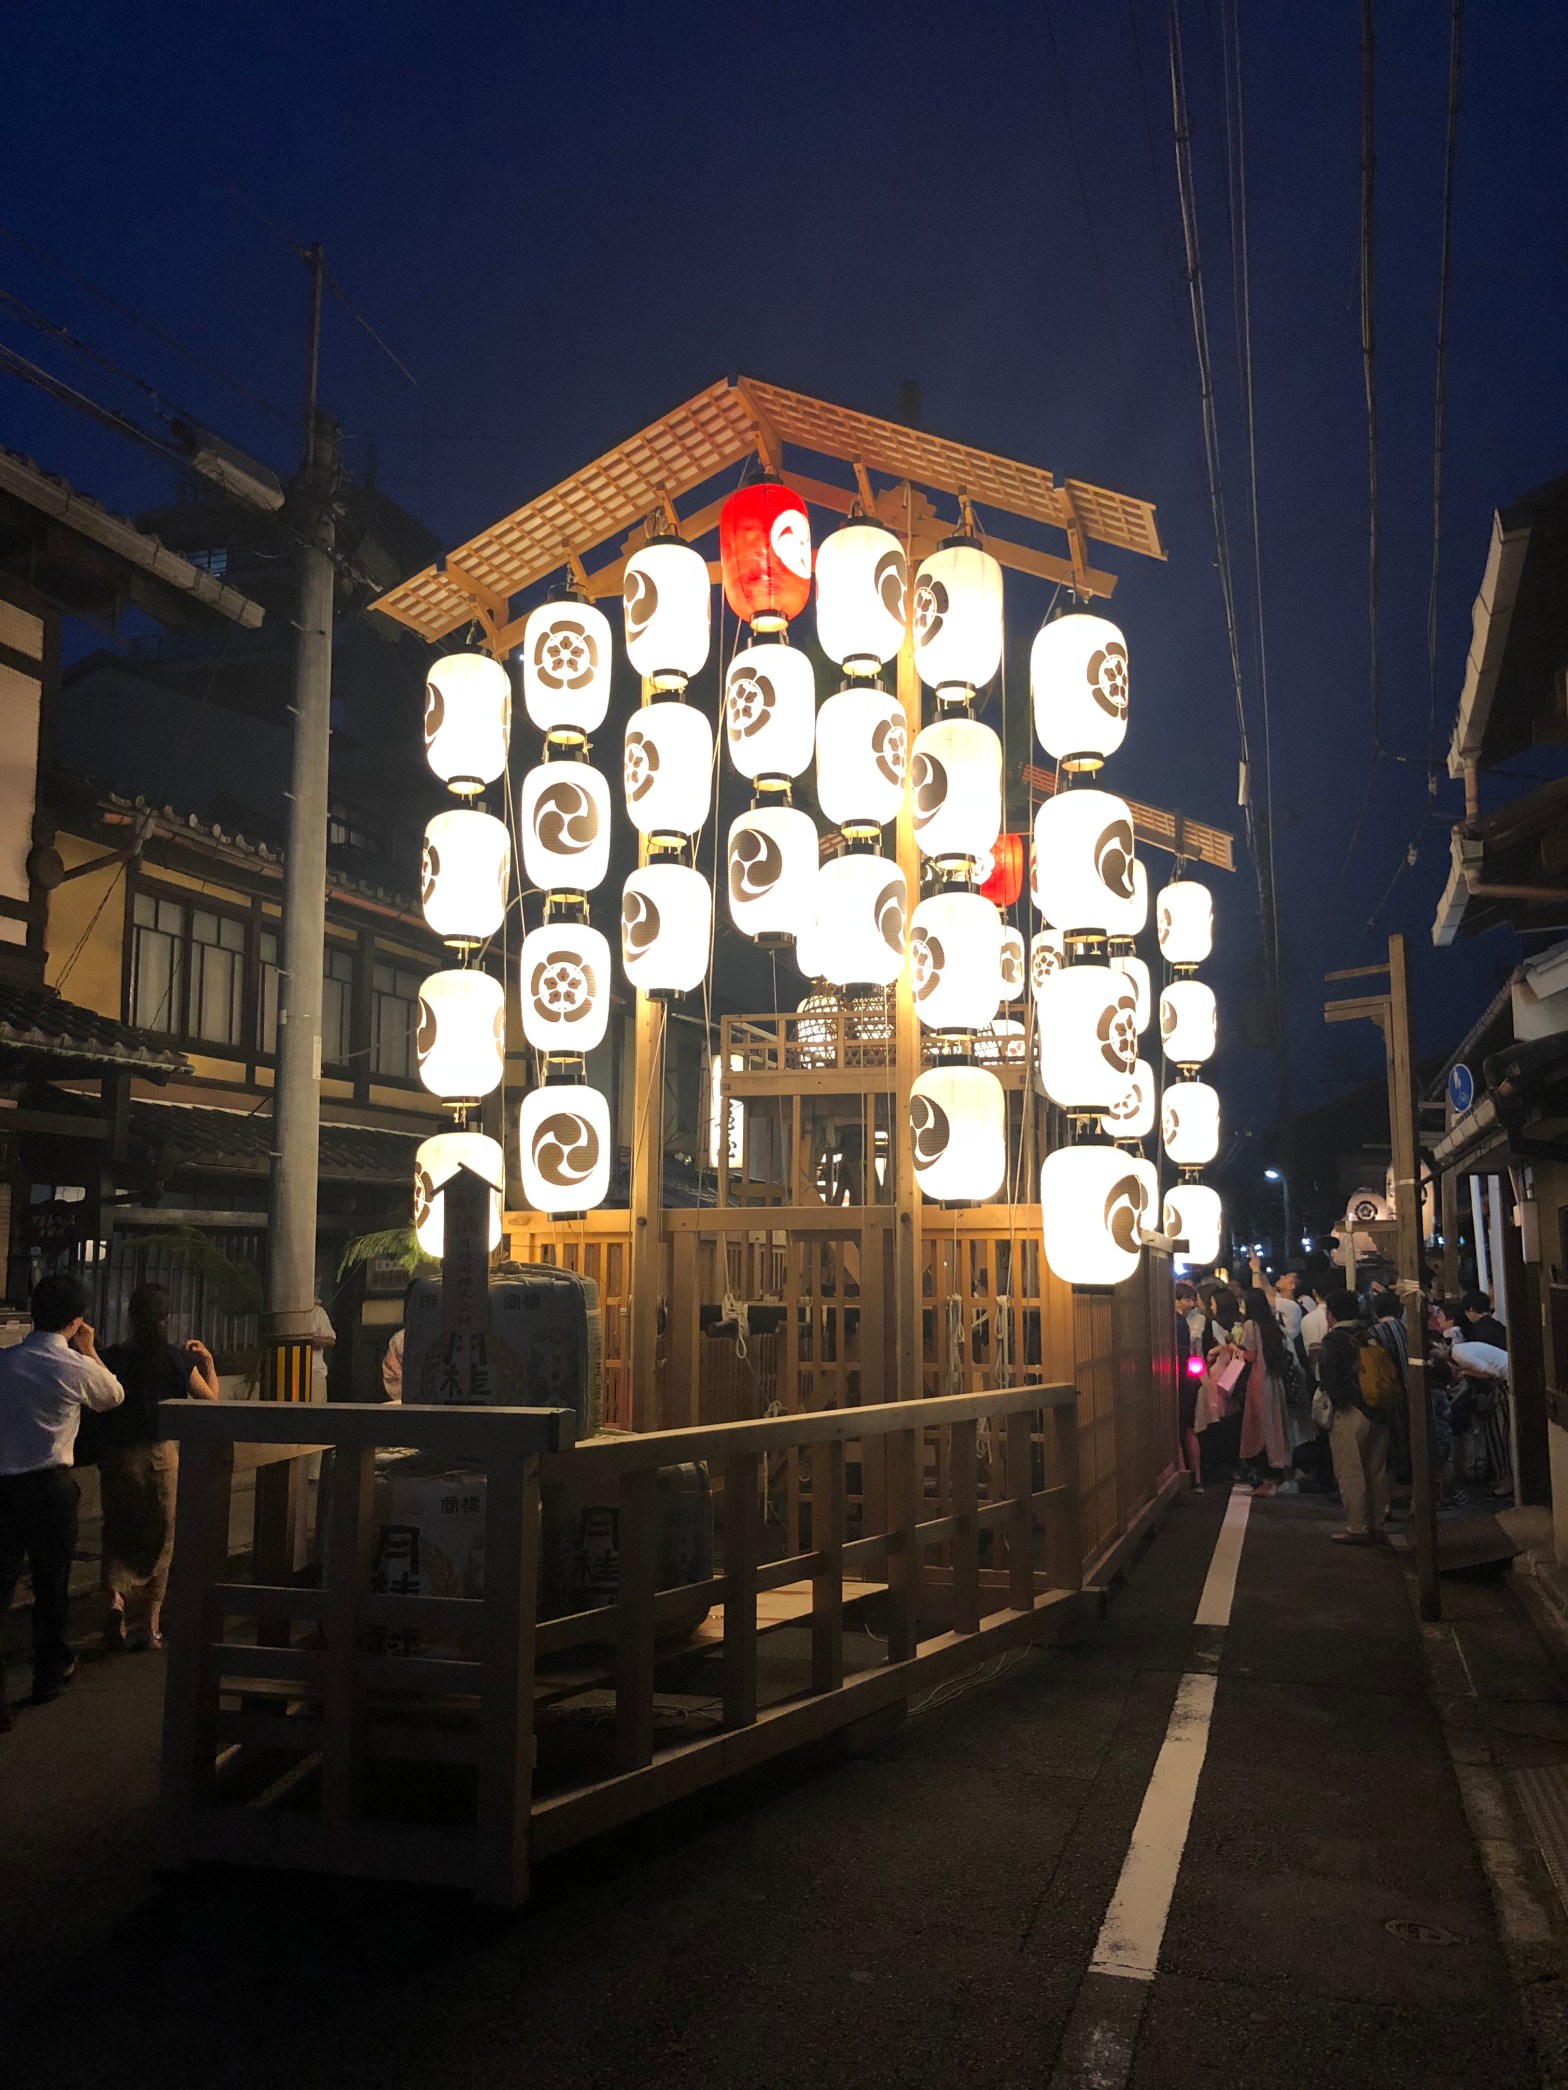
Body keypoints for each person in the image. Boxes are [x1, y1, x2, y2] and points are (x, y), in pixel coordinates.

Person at [0, 1274, 124, 1725]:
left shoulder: (5, 1361)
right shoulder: (72, 1365)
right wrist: (87, 1348)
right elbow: (113, 1396)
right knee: (51, 1585)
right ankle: (48, 1675)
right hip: (50, 1488)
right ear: (76, 1320)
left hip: (2, 1488)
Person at [98, 1284, 219, 1651]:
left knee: (118, 1529)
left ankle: (116, 1601)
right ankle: (150, 1628)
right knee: (162, 1536)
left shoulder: (112, 1357)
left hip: (118, 1456)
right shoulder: (175, 1360)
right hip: (160, 1455)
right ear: (166, 1318)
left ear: (130, 1316)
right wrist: (208, 1364)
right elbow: (211, 1401)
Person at [1317, 1287, 1391, 1544]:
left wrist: (1340, 1404)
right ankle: (1377, 1525)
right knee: (1377, 1471)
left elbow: (1330, 1377)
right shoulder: (1371, 1334)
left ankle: (1357, 1528)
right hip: (1379, 1409)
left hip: (1350, 1412)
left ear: (1331, 1314)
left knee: (1351, 1471)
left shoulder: (1334, 1340)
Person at [1237, 1286, 1291, 1495]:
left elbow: (1250, 1355)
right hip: (1273, 1379)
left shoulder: (1250, 1325)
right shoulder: (1272, 1324)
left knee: (1259, 1426)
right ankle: (1275, 1477)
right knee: (1273, 1425)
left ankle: (1266, 1482)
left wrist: (1235, 1349)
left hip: (1258, 1380)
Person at [1174, 1282, 1208, 1492]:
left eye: (1192, 1300)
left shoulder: (1175, 1321)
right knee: (1188, 1428)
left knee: (1178, 1428)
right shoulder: (1185, 1322)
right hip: (1190, 1378)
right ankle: (1195, 1478)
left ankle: (1184, 1476)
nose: (1191, 1304)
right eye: (1187, 1299)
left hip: (1178, 1379)